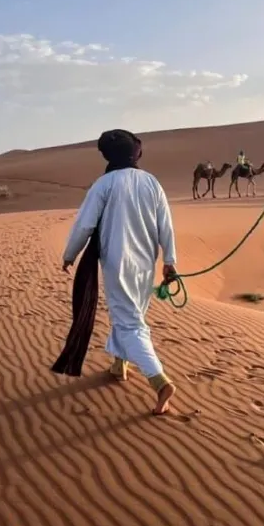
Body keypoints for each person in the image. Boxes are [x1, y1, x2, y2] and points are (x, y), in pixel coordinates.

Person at [61, 129, 178, 415]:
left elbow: (85, 225)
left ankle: (158, 380)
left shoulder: (104, 184)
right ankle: (119, 365)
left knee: (129, 322)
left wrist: (69, 254)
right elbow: (166, 224)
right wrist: (170, 260)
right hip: (145, 262)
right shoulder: (151, 182)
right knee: (130, 313)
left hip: (117, 261)